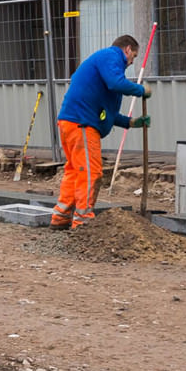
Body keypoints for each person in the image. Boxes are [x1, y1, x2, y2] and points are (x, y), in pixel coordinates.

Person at [51, 35, 152, 230]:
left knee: (75, 171)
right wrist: (140, 90)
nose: (132, 62)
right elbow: (116, 83)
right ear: (127, 49)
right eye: (134, 56)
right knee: (90, 172)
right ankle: (83, 220)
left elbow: (109, 113)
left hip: (71, 122)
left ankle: (61, 217)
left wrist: (131, 122)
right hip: (81, 124)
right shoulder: (111, 57)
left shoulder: (105, 67)